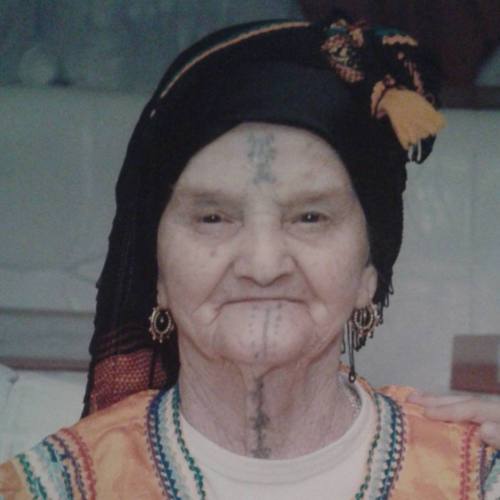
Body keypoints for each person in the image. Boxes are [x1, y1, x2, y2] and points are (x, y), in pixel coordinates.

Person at [1, 15, 499, 499]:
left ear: (369, 272)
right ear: (158, 275)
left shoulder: (475, 477)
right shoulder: (53, 487)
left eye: (310, 218)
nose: (263, 266)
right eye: (213, 218)